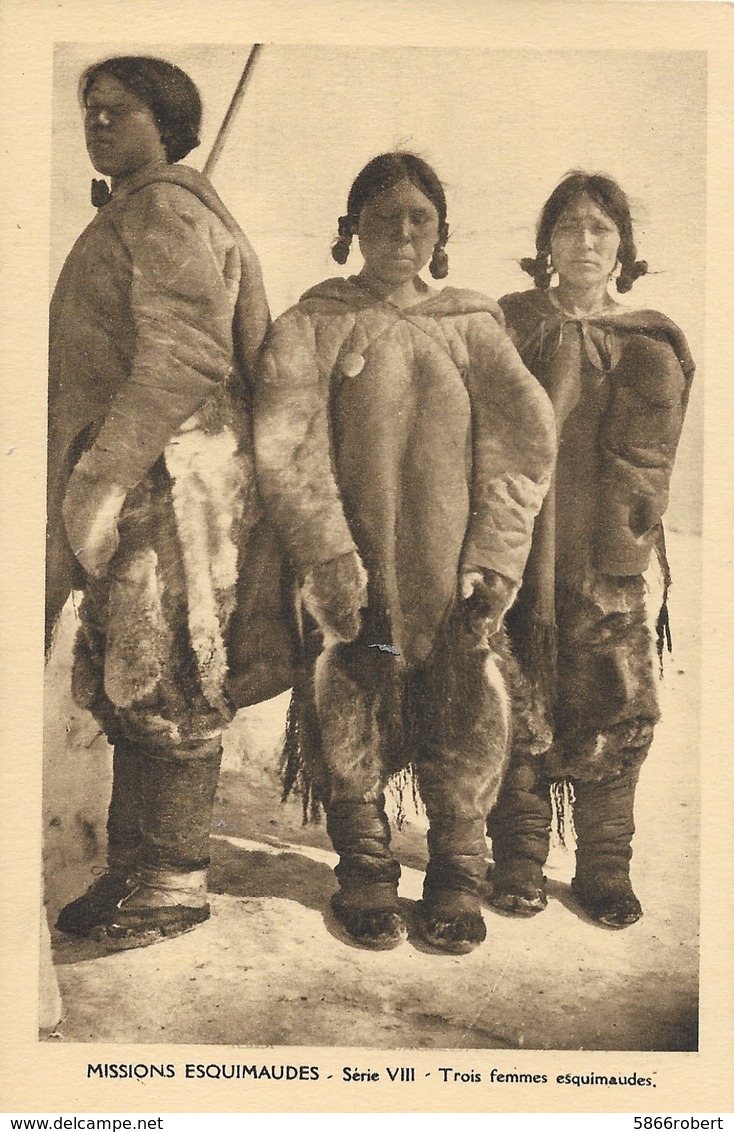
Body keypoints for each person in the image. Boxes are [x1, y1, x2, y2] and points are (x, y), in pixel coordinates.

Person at [254, 152, 556, 953]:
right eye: (382, 216)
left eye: (420, 217)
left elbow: (524, 443)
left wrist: (492, 557)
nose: (401, 230)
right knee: (349, 700)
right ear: (350, 227)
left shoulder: (471, 326)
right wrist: (327, 554)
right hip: (354, 566)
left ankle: (457, 872)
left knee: (467, 707)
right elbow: (287, 443)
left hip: (452, 567)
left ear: (441, 233)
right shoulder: (313, 323)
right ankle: (364, 870)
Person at [48, 55, 271, 948]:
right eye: (89, 111)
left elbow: (185, 359)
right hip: (147, 480)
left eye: (118, 111)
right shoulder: (141, 205)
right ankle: (133, 867)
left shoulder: (167, 209)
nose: (98, 123)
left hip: (175, 483)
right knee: (130, 671)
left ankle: (174, 878)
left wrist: (103, 472)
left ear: (169, 122)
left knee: (171, 671)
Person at [486, 171, 695, 929]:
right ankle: (517, 855)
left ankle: (605, 865)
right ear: (545, 243)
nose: (583, 242)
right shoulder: (509, 323)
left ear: (622, 247)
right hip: (514, 548)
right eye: (568, 227)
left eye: (600, 229)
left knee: (614, 702)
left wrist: (618, 555)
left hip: (605, 559)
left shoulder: (646, 338)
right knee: (513, 694)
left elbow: (651, 459)